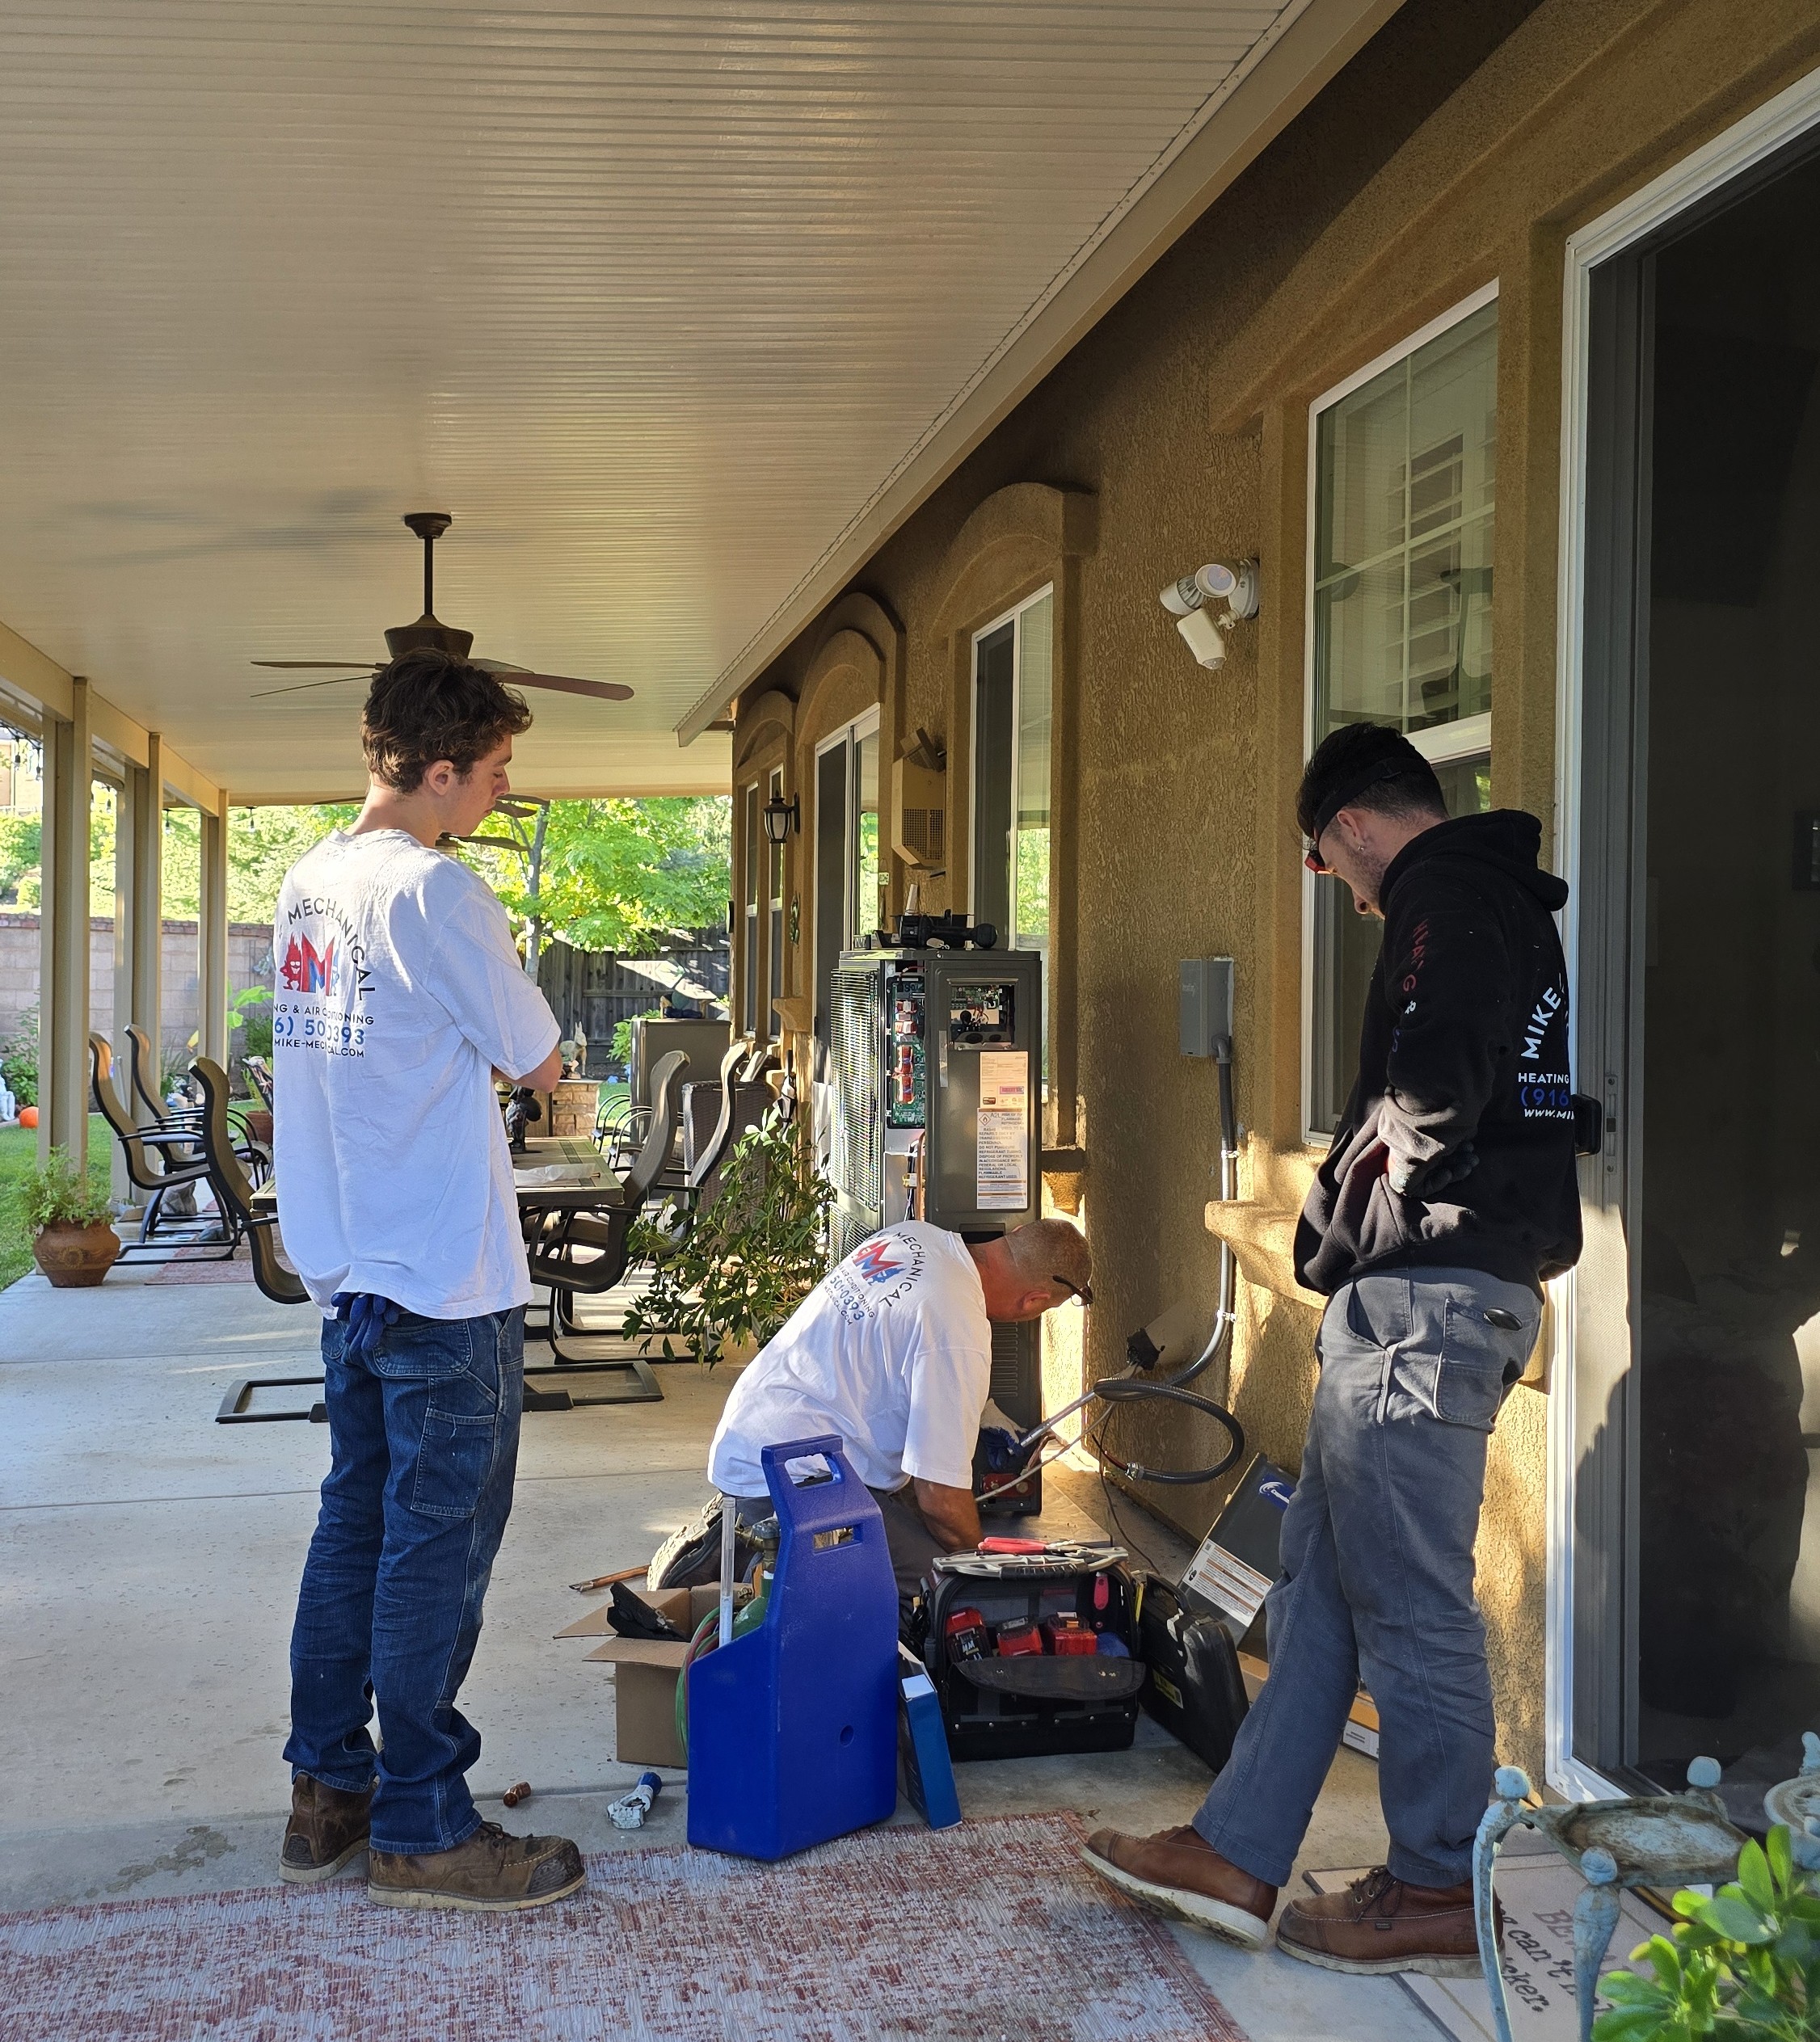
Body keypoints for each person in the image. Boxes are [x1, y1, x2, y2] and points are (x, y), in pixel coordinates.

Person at [1082, 722, 1582, 1977]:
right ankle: (1237, 1850)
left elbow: (1424, 1098)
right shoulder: (1495, 902)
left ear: (1352, 825)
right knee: (1319, 1595)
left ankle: (1432, 1881)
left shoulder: (1447, 895)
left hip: (1424, 1304)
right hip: (1431, 1298)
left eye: (1324, 863)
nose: (1339, 889)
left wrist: (1335, 1227)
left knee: (1410, 1602)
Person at [273, 648, 587, 1913]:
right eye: (498, 768)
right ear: (440, 769)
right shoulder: (437, 894)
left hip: (348, 1269)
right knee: (433, 1550)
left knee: (353, 1528)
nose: (506, 791)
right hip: (445, 1279)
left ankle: (327, 1794)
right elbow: (540, 1054)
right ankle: (422, 1823)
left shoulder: (306, 884)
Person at [708, 1217, 1093, 1597]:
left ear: (1017, 1234)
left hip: (750, 1439)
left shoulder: (915, 1235)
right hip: (793, 1481)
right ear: (1036, 1301)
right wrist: (983, 1572)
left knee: (920, 1544)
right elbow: (940, 1500)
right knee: (944, 1598)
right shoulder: (959, 1327)